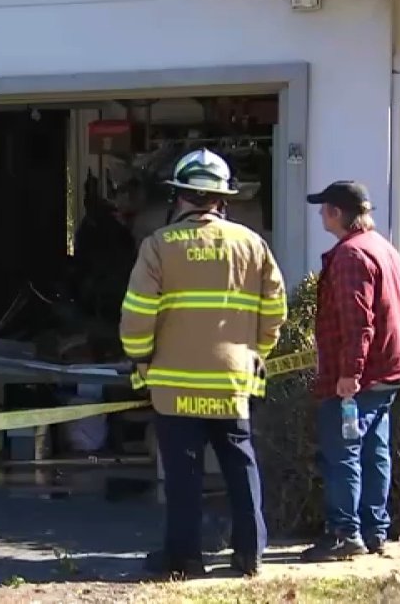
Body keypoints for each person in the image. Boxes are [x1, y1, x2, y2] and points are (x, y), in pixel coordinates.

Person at [119, 149, 287, 578]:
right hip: (232, 384)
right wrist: (256, 354)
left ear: (179, 198)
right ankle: (251, 556)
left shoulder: (158, 247)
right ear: (221, 199)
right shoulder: (252, 245)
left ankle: (184, 560)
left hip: (173, 387)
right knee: (240, 467)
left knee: (183, 476)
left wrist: (140, 359)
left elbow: (137, 315)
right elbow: (274, 312)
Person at [301, 181, 400, 562]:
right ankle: (375, 529)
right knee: (375, 450)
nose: (320, 214)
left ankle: (345, 533)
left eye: (324, 208)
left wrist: (349, 374)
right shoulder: (384, 249)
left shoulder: (350, 257)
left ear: (338, 213)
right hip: (387, 372)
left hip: (355, 378)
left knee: (343, 453)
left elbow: (357, 322)